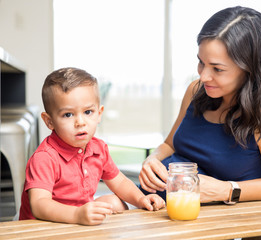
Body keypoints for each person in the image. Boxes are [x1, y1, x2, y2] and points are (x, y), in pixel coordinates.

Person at [139, 6, 261, 204]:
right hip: (148, 202)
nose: (203, 76)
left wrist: (226, 190)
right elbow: (169, 145)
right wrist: (152, 159)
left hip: (201, 222)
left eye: (217, 69)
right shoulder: (196, 91)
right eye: (201, 62)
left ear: (249, 68)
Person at [19, 67, 165, 225]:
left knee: (116, 203)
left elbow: (120, 182)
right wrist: (76, 215)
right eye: (68, 114)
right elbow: (39, 205)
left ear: (99, 113)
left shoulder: (98, 148)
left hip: (80, 216)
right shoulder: (45, 157)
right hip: (45, 225)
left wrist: (141, 199)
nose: (80, 122)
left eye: (88, 112)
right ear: (49, 121)